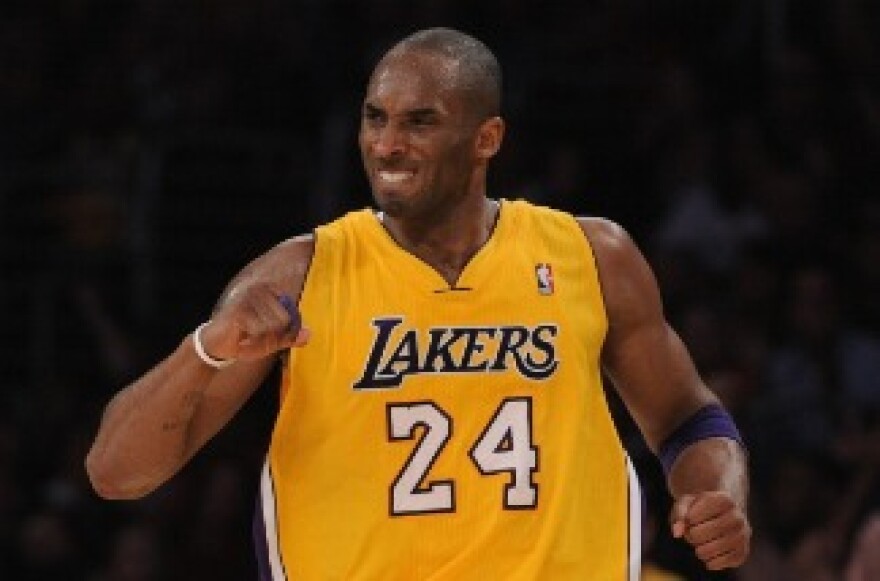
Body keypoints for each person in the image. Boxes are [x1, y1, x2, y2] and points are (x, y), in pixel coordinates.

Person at [85, 27, 750, 579]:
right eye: (376, 117)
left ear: (487, 138)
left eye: (419, 122)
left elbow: (689, 417)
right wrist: (206, 348)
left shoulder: (591, 256)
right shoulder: (301, 272)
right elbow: (116, 473)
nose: (386, 143)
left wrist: (717, 491)